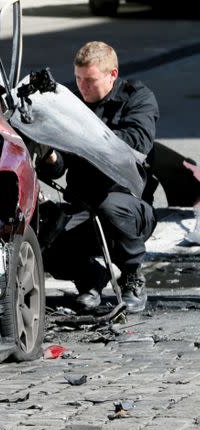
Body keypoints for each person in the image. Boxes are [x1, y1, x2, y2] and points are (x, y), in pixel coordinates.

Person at [38, 41, 158, 314]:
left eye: (90, 80)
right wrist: (49, 154)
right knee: (41, 237)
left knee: (110, 207)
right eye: (78, 79)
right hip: (83, 206)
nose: (83, 86)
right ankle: (90, 278)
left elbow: (136, 143)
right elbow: (58, 168)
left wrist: (85, 135)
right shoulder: (72, 104)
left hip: (130, 207)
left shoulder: (137, 97)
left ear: (112, 74)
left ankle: (132, 277)